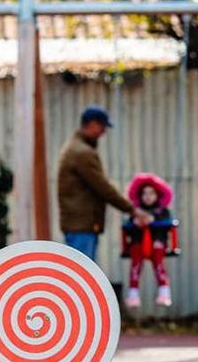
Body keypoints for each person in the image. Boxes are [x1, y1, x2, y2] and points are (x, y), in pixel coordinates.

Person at [57, 105, 151, 261]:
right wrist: (133, 210)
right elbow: (103, 188)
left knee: (80, 276)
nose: (103, 132)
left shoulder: (75, 148)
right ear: (93, 124)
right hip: (82, 227)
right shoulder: (82, 153)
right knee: (83, 277)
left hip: (78, 225)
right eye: (102, 127)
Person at [124, 173, 174, 307]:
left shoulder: (162, 211)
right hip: (138, 243)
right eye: (144, 193)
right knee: (136, 265)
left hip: (156, 243)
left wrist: (154, 220)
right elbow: (128, 227)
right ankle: (133, 295)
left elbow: (167, 225)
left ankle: (164, 292)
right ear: (140, 196)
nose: (148, 196)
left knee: (159, 264)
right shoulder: (136, 211)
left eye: (151, 193)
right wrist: (134, 222)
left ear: (158, 195)